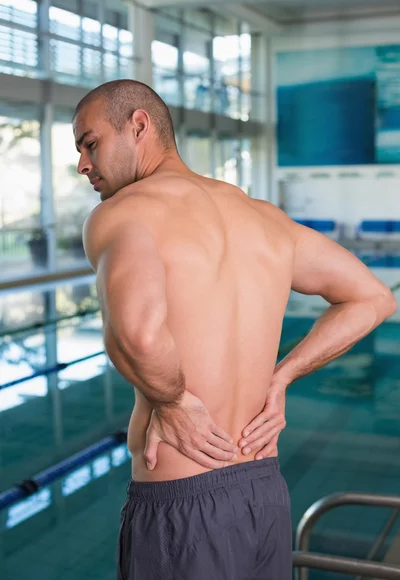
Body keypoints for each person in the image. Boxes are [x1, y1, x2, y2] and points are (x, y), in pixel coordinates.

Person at [73, 79, 397, 580]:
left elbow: (137, 333)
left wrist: (173, 400)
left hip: (180, 504)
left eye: (89, 143)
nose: (83, 165)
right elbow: (374, 298)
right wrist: (281, 377)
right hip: (264, 491)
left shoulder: (124, 214)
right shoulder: (265, 219)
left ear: (139, 126)